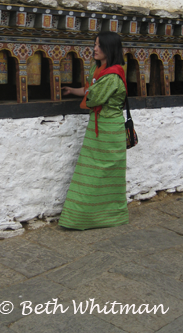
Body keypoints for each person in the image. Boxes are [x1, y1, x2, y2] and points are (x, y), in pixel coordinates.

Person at [59, 31, 129, 230]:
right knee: (90, 172)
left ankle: (107, 217)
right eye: (95, 44)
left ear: (110, 49)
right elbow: (90, 89)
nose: (95, 49)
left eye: (99, 45)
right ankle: (87, 216)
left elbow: (93, 98)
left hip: (109, 130)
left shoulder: (113, 75)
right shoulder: (100, 70)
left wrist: (88, 92)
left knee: (103, 174)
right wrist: (73, 90)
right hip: (97, 128)